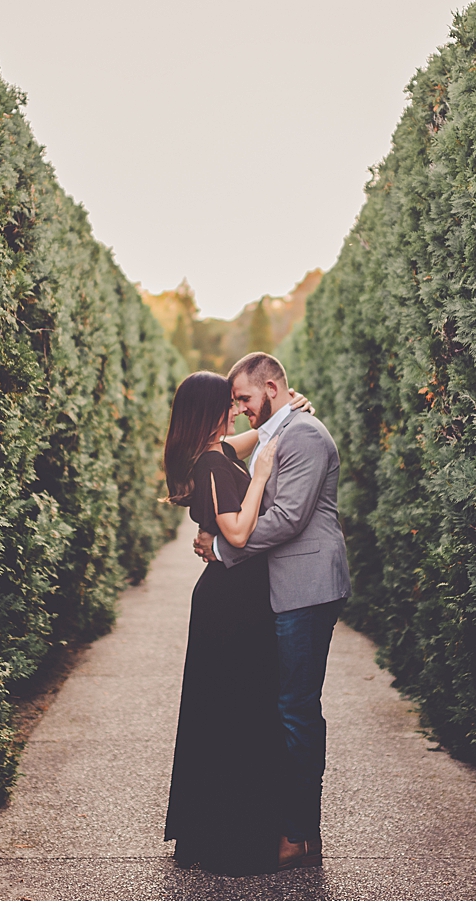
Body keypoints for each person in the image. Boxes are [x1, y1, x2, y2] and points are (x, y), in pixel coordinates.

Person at [193, 351, 351, 871]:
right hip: (286, 590)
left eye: (245, 398)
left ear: (272, 388)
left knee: (297, 710)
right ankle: (287, 825)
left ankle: (302, 836)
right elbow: (226, 451)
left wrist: (221, 547)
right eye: (234, 401)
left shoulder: (303, 435)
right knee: (286, 707)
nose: (239, 409)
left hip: (306, 587)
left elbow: (286, 518)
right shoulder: (278, 430)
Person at [160, 370, 315, 875]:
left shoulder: (217, 453)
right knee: (240, 711)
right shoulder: (212, 462)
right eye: (226, 404)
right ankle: (236, 837)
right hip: (231, 607)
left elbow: (254, 437)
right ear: (208, 411)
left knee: (225, 711)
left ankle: (214, 828)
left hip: (229, 601)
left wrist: (288, 411)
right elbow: (240, 532)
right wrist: (265, 472)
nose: (234, 410)